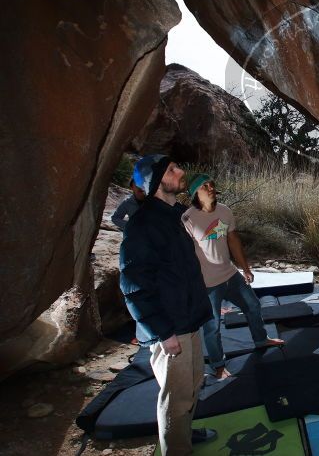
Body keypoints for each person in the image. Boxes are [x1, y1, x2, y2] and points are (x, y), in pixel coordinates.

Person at [119, 155, 216, 455]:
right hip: (171, 327)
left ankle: (184, 435)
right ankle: (177, 449)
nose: (181, 171)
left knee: (192, 385)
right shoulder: (143, 224)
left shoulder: (173, 216)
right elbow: (134, 287)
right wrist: (163, 332)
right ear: (156, 181)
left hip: (189, 320)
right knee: (175, 398)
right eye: (173, 169)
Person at [182, 173, 284, 380]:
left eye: (211, 184)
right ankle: (218, 365)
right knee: (212, 327)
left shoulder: (224, 211)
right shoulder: (188, 219)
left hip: (230, 274)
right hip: (208, 283)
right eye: (205, 186)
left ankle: (260, 339)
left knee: (253, 306)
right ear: (195, 193)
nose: (210, 187)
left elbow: (233, 241)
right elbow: (185, 256)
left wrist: (245, 268)